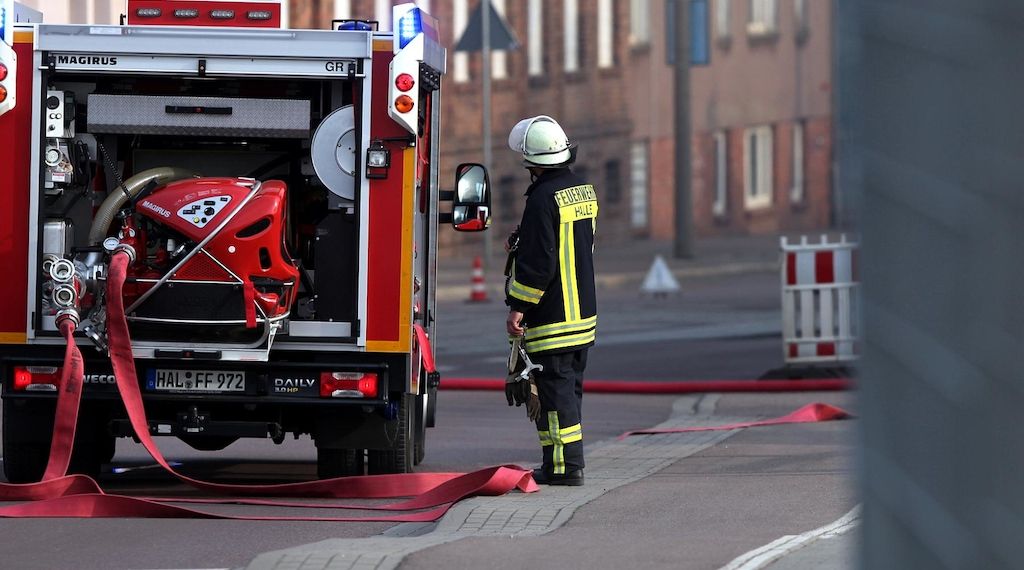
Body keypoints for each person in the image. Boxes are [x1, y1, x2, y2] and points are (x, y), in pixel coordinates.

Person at [504, 116, 598, 487]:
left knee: (555, 397)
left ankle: (565, 467)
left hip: (553, 318)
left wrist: (518, 307)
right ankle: (559, 462)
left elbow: (538, 264)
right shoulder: (583, 190)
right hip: (582, 318)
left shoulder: (542, 199)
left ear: (534, 162)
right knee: (568, 393)